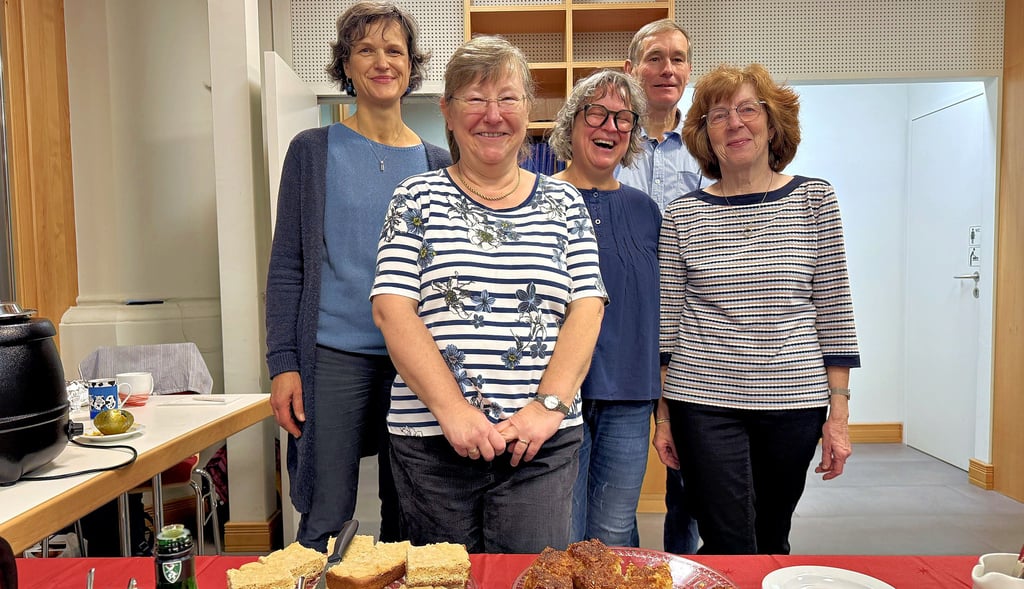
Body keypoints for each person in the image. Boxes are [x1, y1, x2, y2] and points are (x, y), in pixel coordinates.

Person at [370, 35, 607, 554]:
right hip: (432, 444)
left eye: (508, 98)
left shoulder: (565, 202)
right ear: (448, 113)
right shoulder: (416, 196)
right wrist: (454, 411)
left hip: (540, 445)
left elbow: (587, 309)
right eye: (475, 100)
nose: (492, 115)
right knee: (443, 580)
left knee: (532, 578)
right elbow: (392, 309)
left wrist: (547, 407)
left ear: (529, 110)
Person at [264, 1, 452, 551]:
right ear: (345, 64)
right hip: (332, 356)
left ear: (412, 66)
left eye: (394, 50)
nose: (381, 61)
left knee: (410, 513)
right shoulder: (312, 152)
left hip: (413, 358)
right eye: (365, 49)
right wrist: (284, 364)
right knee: (326, 513)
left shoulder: (438, 163)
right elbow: (287, 267)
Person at [660, 62, 861, 554]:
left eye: (748, 109)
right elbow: (668, 324)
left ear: (773, 124)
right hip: (702, 399)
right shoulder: (681, 214)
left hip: (794, 400)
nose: (735, 123)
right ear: (704, 134)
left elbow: (834, 308)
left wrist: (838, 414)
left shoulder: (815, 199)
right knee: (727, 538)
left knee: (772, 536)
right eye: (718, 115)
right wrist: (663, 415)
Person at [547, 70, 661, 547]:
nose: (610, 127)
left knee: (613, 532)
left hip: (630, 395)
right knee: (563, 533)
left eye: (623, 118)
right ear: (573, 124)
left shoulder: (646, 210)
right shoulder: (539, 199)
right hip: (555, 395)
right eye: (597, 113)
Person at [617, 17, 702, 555]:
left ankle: (681, 563)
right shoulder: (607, 139)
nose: (666, 68)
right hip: (621, 323)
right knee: (617, 462)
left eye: (677, 58)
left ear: (688, 71)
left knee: (689, 465)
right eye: (654, 57)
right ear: (632, 69)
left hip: (692, 324)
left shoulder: (707, 146)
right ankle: (618, 560)